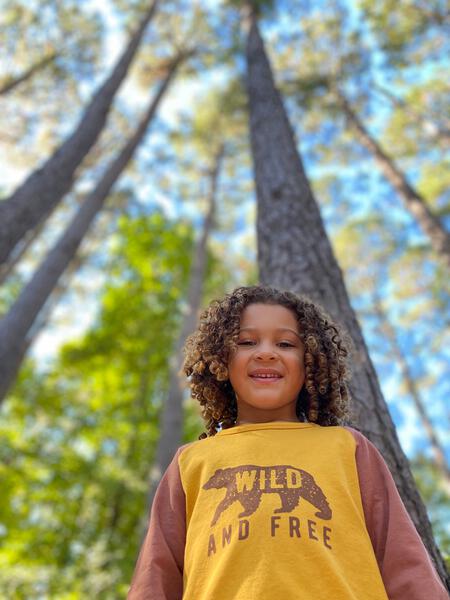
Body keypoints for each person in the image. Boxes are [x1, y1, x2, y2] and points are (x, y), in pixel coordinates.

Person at [127, 285, 448, 599]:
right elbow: (155, 576)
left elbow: (404, 561)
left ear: (311, 362)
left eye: (285, 343)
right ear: (221, 359)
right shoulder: (191, 461)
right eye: (247, 341)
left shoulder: (347, 447)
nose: (266, 352)